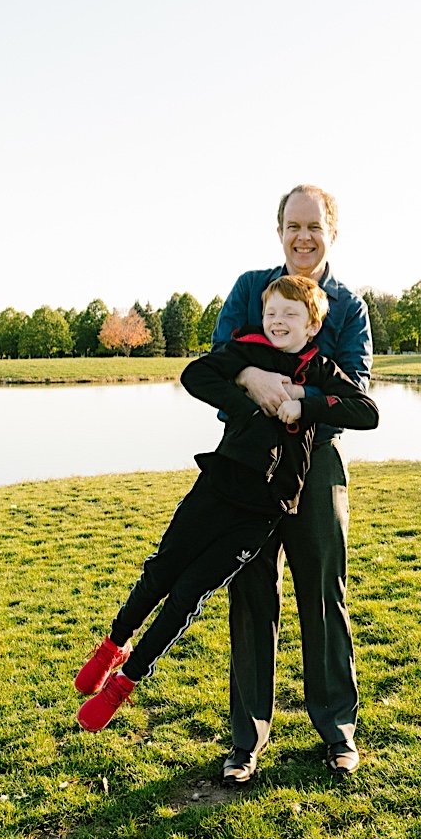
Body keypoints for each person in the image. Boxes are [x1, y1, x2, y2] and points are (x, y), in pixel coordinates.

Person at [72, 274, 378, 732]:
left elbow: (366, 411)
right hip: (218, 489)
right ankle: (113, 644)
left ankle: (124, 684)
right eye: (271, 313)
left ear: (312, 326)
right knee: (163, 571)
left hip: (261, 512)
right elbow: (195, 374)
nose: (277, 321)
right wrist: (247, 400)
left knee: (189, 593)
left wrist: (306, 404)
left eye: (290, 315)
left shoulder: (320, 370)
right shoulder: (248, 352)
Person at [212, 184, 373, 783]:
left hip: (318, 462)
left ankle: (337, 731)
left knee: (322, 593)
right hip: (249, 462)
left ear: (332, 230)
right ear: (278, 231)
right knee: (251, 593)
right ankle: (246, 742)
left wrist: (300, 397)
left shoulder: (349, 305)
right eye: (292, 226)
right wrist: (252, 375)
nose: (302, 237)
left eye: (313, 226)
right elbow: (219, 363)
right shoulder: (250, 288)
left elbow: (355, 387)